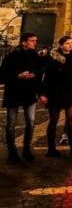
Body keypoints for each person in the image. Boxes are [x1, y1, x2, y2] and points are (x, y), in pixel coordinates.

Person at [39, 36, 72, 157]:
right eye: (68, 43)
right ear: (61, 45)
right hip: (55, 93)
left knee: (71, 120)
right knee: (54, 120)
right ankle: (51, 149)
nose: (70, 45)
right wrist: (43, 93)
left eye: (71, 43)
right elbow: (47, 77)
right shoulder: (53, 59)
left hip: (70, 93)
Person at [1, 32, 41, 163]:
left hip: (29, 93)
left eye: (35, 40)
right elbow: (2, 75)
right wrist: (18, 76)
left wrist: (35, 81)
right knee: (11, 122)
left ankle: (26, 149)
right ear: (24, 42)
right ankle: (12, 151)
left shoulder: (36, 57)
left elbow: (39, 74)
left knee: (30, 122)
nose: (35, 43)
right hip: (14, 93)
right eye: (32, 41)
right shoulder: (11, 56)